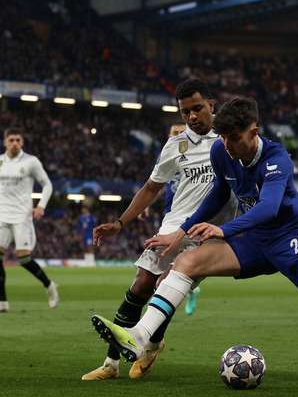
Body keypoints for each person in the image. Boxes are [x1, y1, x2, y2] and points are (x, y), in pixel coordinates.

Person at [91, 97, 298, 393]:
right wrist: (183, 230)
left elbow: (268, 208)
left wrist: (224, 230)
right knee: (187, 263)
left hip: (289, 233)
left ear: (253, 132)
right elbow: (218, 192)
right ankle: (140, 336)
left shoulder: (277, 158)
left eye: (234, 138)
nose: (227, 145)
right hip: (254, 238)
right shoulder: (221, 151)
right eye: (223, 138)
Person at [82, 79, 221, 381]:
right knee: (141, 286)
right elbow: (151, 188)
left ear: (211, 105)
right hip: (171, 226)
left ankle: (151, 344)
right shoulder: (176, 145)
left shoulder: (228, 139)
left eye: (197, 108)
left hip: (203, 232)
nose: (192, 116)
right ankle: (111, 364)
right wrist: (120, 223)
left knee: (165, 285)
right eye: (185, 112)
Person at [0, 128, 58, 313]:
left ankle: (49, 285)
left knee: (23, 258)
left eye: (18, 140)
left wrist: (41, 206)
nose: (14, 143)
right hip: (1, 214)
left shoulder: (31, 162)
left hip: (22, 215)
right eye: (11, 140)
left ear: (22, 143)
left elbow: (47, 184)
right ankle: (2, 302)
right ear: (5, 142)